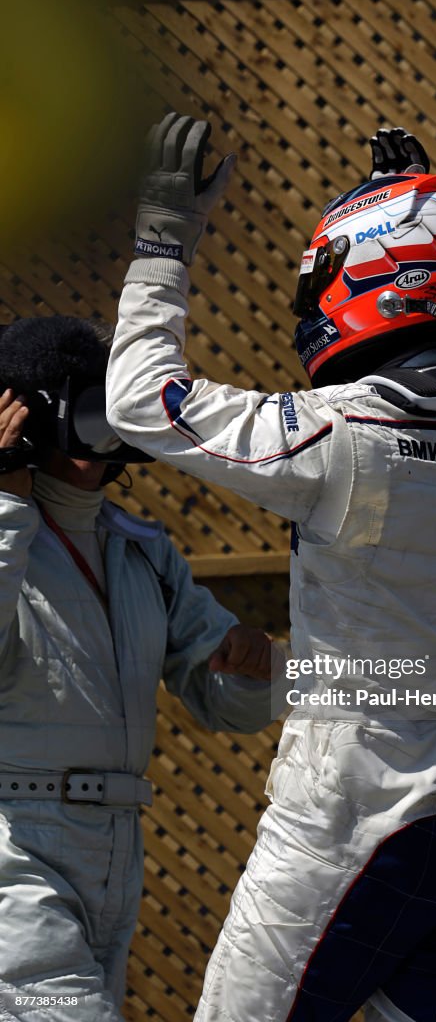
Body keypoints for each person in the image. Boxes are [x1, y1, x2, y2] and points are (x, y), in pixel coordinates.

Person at [106, 116, 436, 1022]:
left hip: (349, 818)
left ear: (374, 281)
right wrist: (415, 206)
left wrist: (164, 237)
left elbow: (137, 401)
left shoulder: (336, 439)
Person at [0, 314, 283, 1022]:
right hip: (14, 851)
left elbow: (231, 708)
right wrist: (5, 502)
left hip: (117, 846)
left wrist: (247, 670)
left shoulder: (140, 549)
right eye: (83, 405)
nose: (103, 428)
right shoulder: (7, 533)